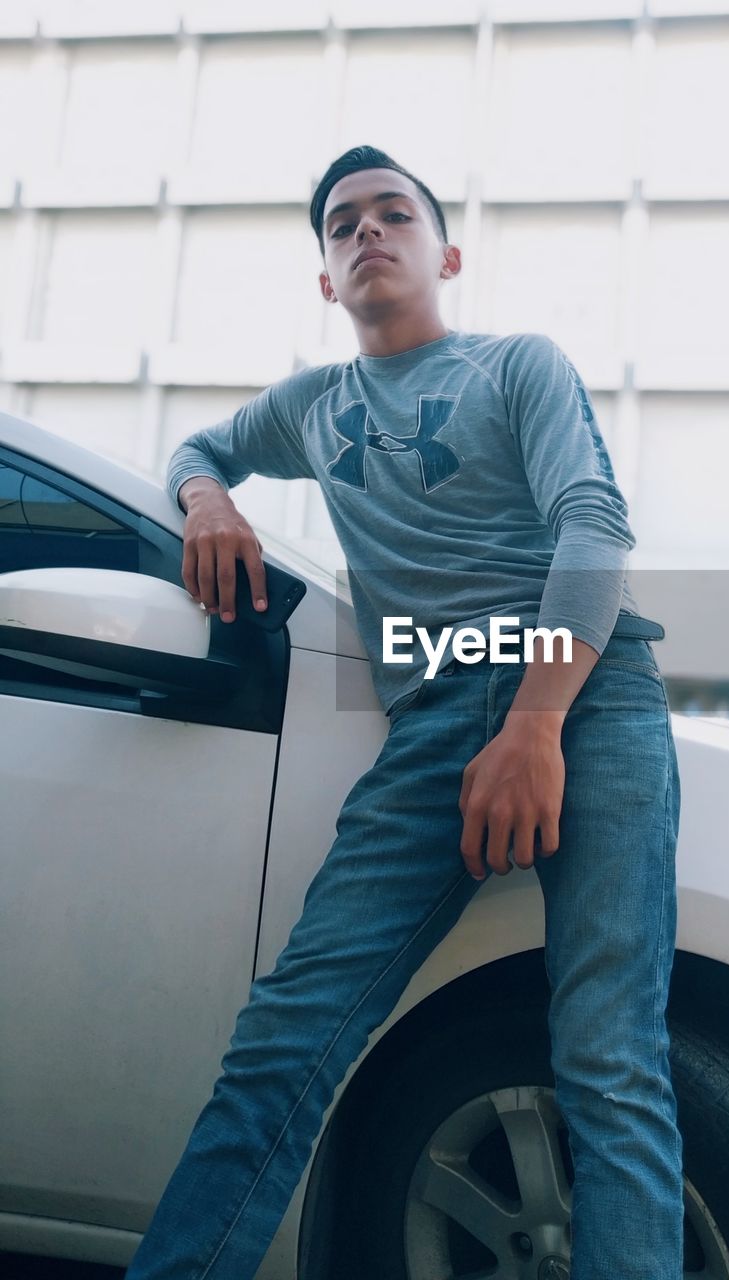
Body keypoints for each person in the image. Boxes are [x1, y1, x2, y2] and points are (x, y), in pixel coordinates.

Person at [125, 144, 684, 1280]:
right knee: (282, 1040)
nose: (367, 231)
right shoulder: (315, 407)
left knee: (610, 1059)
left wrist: (530, 727)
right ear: (327, 279)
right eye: (342, 226)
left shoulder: (515, 364)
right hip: (431, 724)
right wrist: (206, 498)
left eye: (393, 214)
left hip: (587, 692)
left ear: (446, 252)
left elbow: (595, 528)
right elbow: (195, 446)